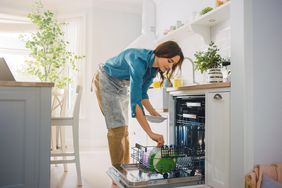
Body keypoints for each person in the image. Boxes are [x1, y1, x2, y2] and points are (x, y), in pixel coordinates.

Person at [92, 40, 184, 168]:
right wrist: (150, 133)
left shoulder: (153, 69)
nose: (170, 67)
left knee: (124, 128)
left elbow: (142, 94)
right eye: (169, 61)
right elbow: (136, 103)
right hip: (106, 79)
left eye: (173, 64)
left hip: (120, 84)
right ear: (161, 53)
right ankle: (117, 173)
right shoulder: (138, 62)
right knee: (117, 127)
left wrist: (153, 112)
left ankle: (124, 167)